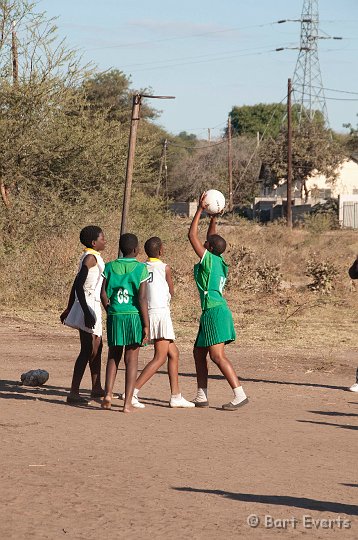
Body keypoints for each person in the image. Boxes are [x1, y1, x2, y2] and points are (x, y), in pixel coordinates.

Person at [188, 194, 248, 411]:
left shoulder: (210, 259)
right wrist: (214, 217)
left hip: (214, 311)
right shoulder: (219, 260)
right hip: (214, 311)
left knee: (216, 355)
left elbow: (192, 235)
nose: (203, 243)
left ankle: (239, 394)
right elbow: (211, 237)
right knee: (198, 352)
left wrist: (199, 210)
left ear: (209, 249)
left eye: (206, 245)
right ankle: (201, 395)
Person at [120, 237, 194, 408]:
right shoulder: (164, 268)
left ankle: (176, 395)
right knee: (160, 357)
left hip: (146, 313)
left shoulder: (140, 267)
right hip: (160, 313)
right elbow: (171, 291)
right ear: (161, 250)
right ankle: (132, 392)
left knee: (173, 353)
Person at [100, 233, 150, 413]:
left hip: (115, 315)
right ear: (136, 250)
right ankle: (127, 403)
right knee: (132, 359)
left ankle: (107, 394)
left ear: (120, 249)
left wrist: (110, 309)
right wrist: (146, 324)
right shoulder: (141, 269)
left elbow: (103, 293)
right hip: (133, 316)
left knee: (113, 355)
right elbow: (142, 299)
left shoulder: (109, 266)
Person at [60, 225, 106, 405]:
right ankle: (73, 393)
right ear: (94, 243)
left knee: (97, 346)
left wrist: (69, 307)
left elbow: (75, 283)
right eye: (102, 238)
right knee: (87, 349)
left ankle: (96, 387)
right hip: (88, 304)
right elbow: (79, 284)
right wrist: (86, 312)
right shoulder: (90, 258)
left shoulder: (91, 256)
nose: (105, 241)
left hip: (88, 304)